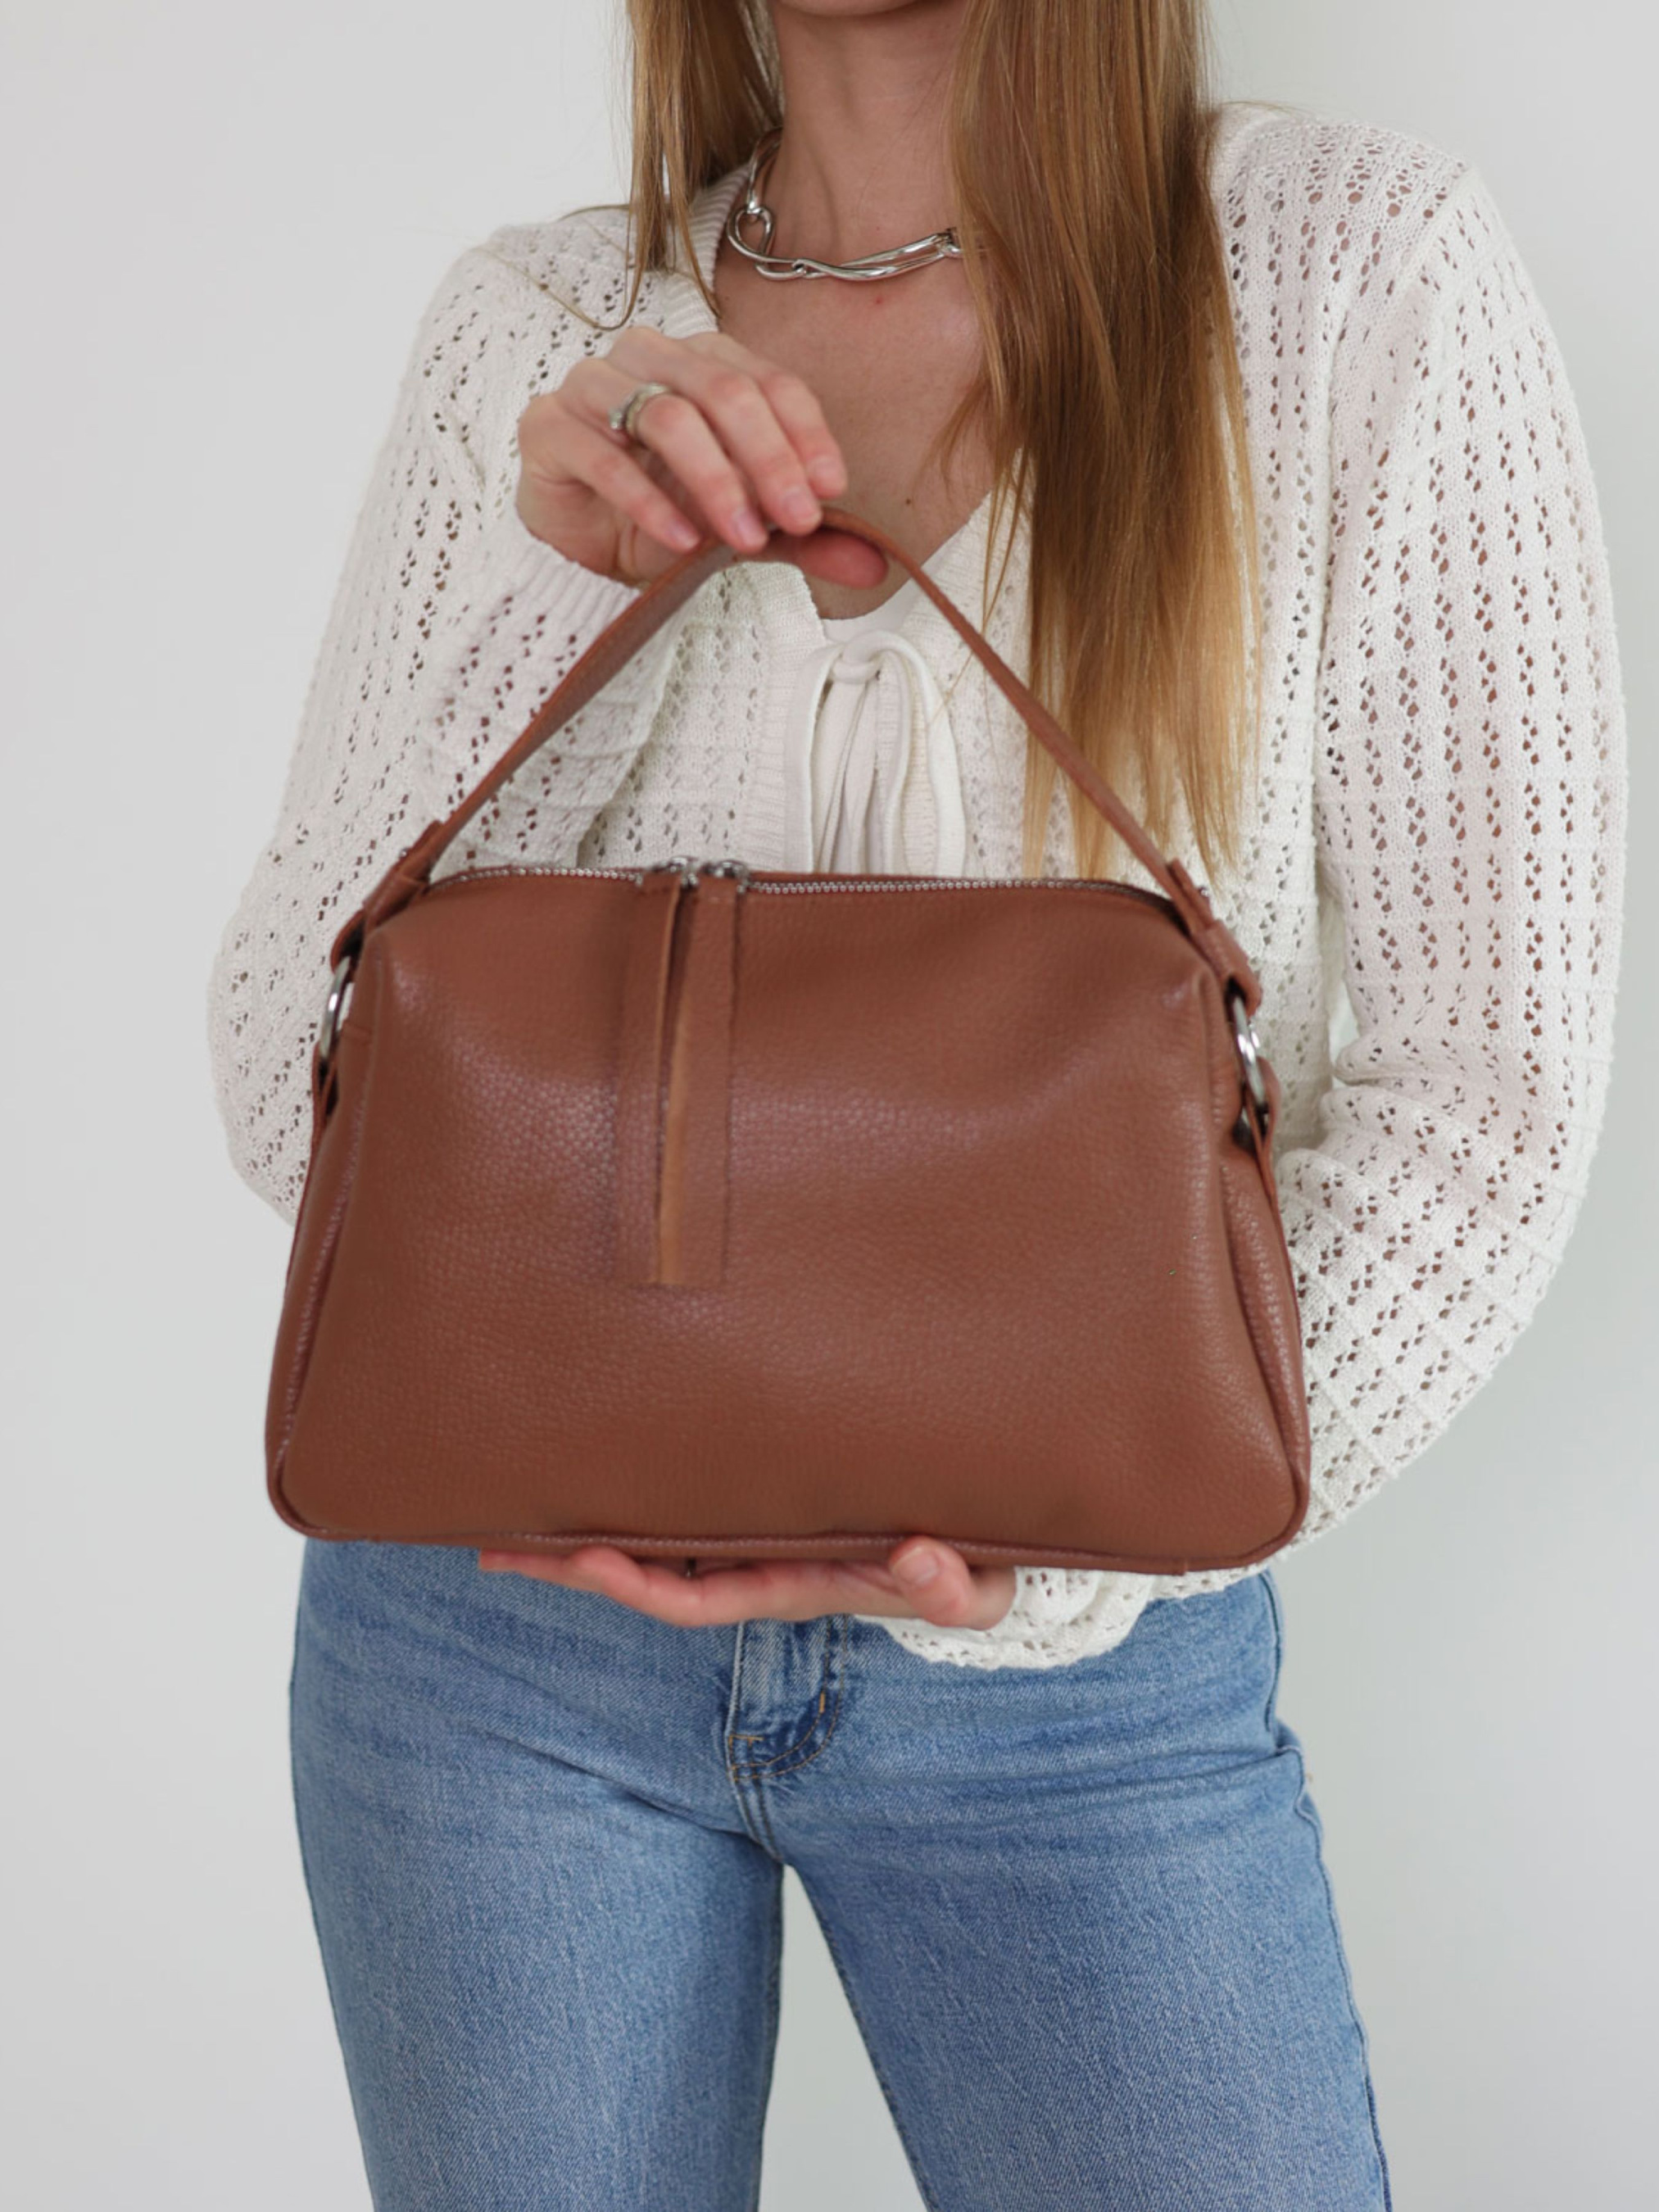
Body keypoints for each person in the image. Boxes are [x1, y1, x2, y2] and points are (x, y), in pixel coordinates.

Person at [205, 2, 1627, 2205]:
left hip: (1080, 1691)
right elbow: (287, 1076)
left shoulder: (1350, 276)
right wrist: (556, 580)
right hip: (492, 1653)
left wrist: (1046, 1536)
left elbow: (1480, 1106)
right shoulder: (542, 325)